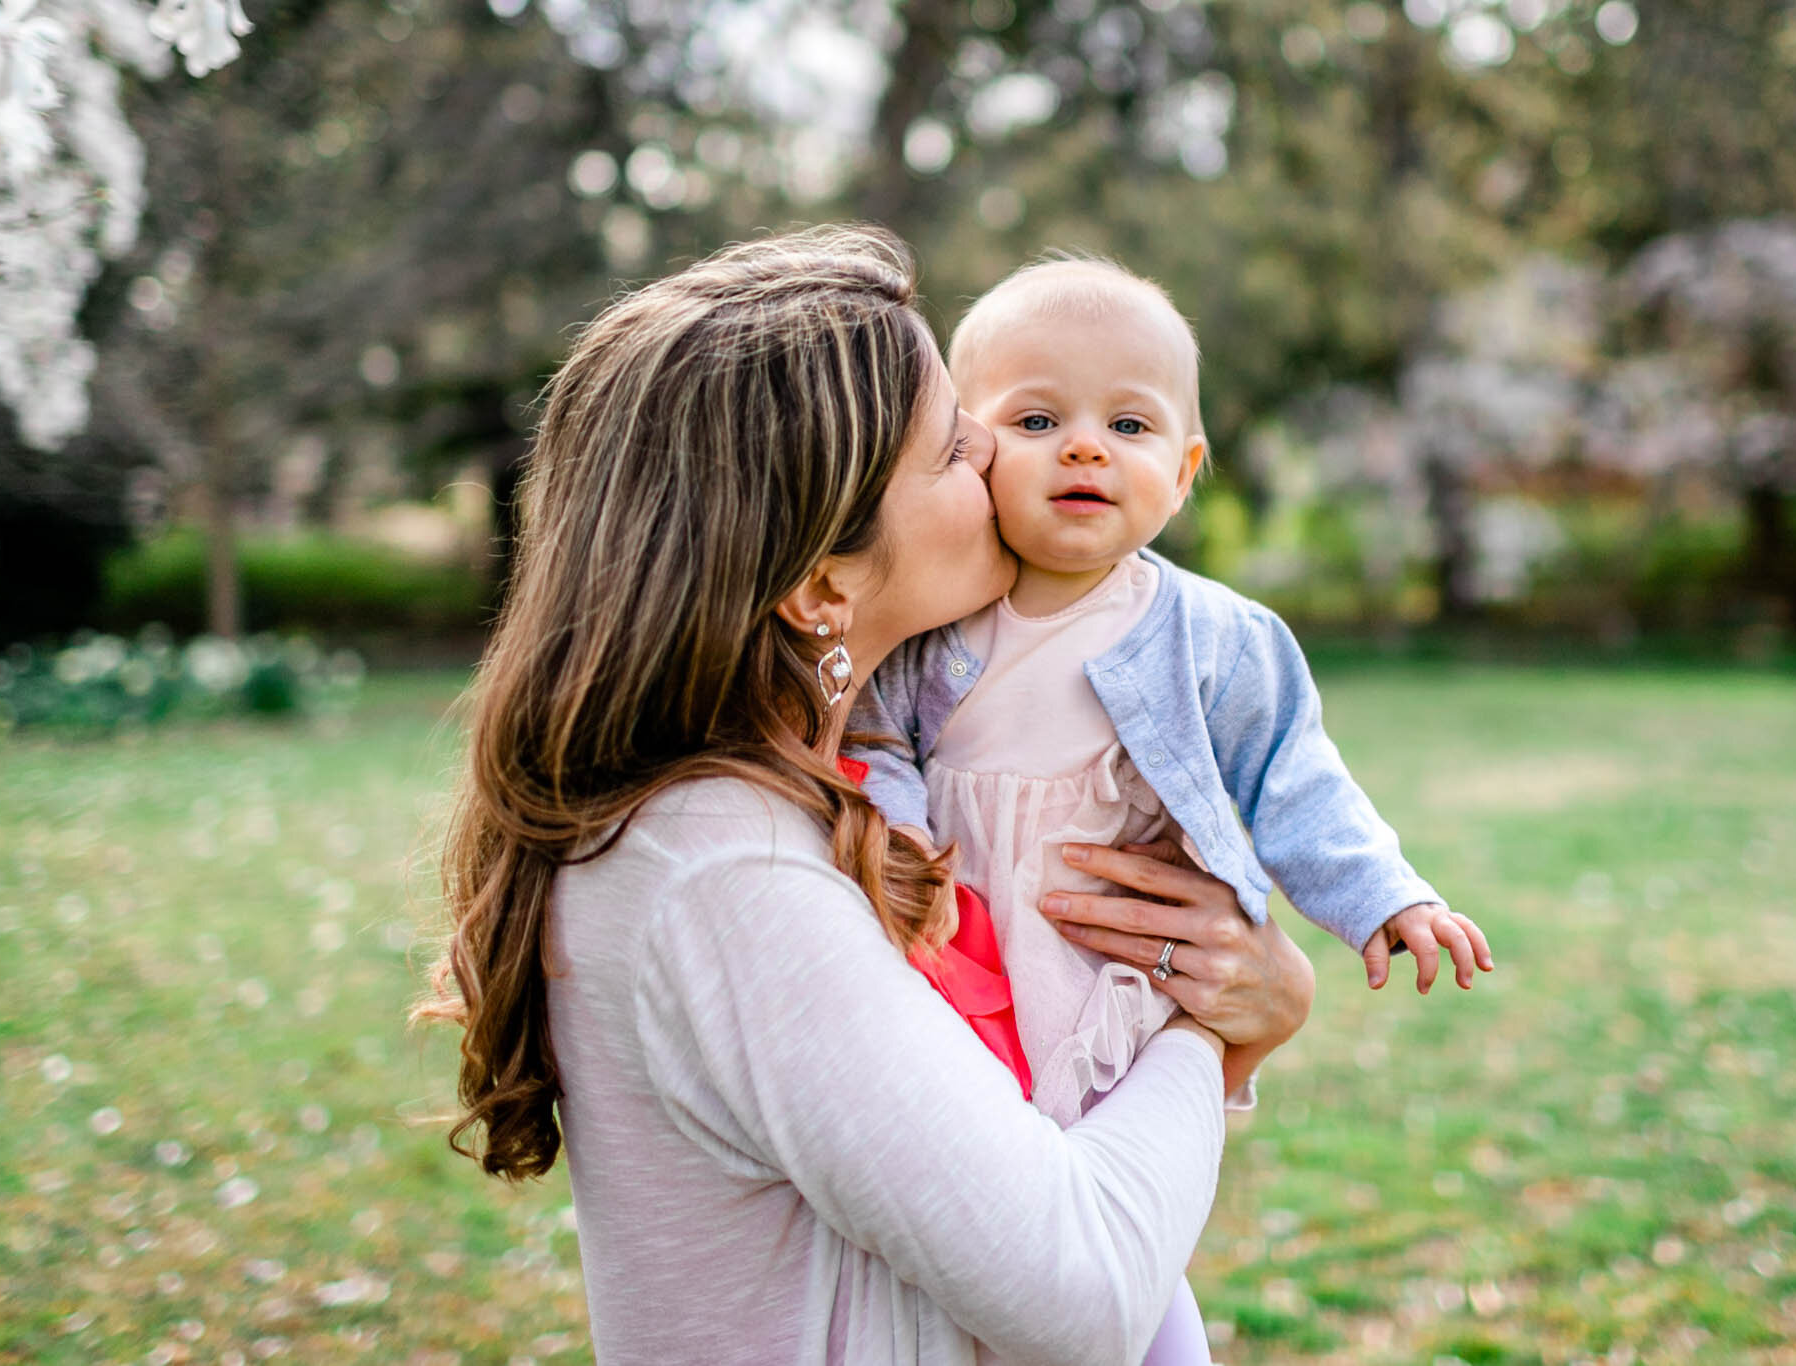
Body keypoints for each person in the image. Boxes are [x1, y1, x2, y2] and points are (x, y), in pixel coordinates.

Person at [417, 225, 1318, 1365]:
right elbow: (1081, 1289)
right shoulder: (720, 867)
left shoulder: (827, 795)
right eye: (954, 449)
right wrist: (1208, 1025)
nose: (998, 464)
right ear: (819, 583)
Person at [849, 257, 1497, 1361]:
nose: (1086, 446)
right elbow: (872, 739)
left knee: (1121, 1267)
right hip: (966, 958)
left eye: (1130, 424)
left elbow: (1293, 777)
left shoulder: (1213, 637)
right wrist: (899, 840)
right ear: (967, 450)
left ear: (1185, 469)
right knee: (972, 1245)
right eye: (1038, 417)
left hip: (1102, 973)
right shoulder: (933, 628)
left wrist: (1383, 894)